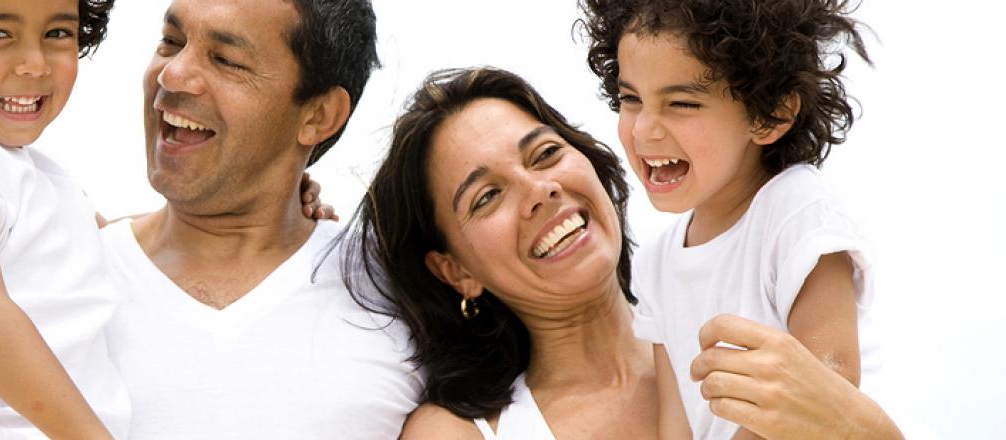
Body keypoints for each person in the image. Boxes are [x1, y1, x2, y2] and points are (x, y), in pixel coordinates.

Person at [349, 67, 903, 439]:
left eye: (544, 155)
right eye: (487, 196)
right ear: (455, 270)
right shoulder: (462, 432)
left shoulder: (760, 313)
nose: (539, 190)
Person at [0, 0, 332, 437]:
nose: (35, 63)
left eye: (57, 32)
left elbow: (106, 244)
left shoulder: (22, 171)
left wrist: (283, 210)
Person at [97, 0, 422, 438]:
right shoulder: (57, 269)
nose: (171, 74)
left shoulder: (404, 295)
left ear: (318, 115)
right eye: (171, 41)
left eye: (228, 60)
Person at [578, 1, 900, 438]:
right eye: (630, 99)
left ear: (771, 114)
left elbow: (830, 385)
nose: (643, 130)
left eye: (681, 103)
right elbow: (677, 426)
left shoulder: (795, 211)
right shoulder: (655, 265)